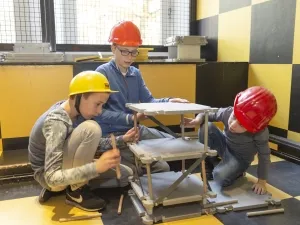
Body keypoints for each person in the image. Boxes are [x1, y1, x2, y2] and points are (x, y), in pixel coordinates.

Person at [28, 71, 138, 211]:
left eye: (102, 105)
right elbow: (51, 178)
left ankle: (70, 185)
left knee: (126, 175)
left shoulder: (74, 111)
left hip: (61, 165)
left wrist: (122, 139)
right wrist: (96, 168)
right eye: (97, 104)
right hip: (49, 177)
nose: (99, 111)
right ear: (77, 97)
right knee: (91, 128)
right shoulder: (57, 122)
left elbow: (90, 144)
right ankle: (75, 192)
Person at [92, 20, 189, 174]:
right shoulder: (102, 73)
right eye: (125, 51)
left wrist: (169, 101)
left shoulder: (135, 73)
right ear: (113, 48)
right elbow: (97, 113)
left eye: (134, 52)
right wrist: (130, 118)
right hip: (115, 135)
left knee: (175, 143)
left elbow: (149, 101)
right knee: (148, 169)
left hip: (136, 129)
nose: (130, 57)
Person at [184, 86, 277, 195]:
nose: (232, 124)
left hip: (239, 159)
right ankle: (210, 163)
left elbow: (264, 156)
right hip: (225, 146)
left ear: (254, 127)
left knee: (219, 177)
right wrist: (197, 120)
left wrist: (261, 182)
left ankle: (237, 172)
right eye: (234, 117)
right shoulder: (229, 112)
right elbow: (206, 114)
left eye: (241, 124)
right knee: (206, 126)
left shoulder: (260, 132)